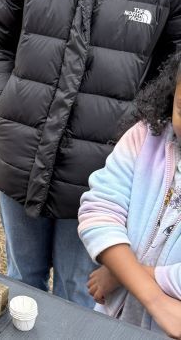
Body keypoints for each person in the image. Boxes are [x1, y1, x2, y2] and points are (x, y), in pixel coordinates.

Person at [0, 0, 181, 307]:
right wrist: (3, 106)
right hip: (20, 162)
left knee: (79, 303)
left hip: (105, 182)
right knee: (18, 289)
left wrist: (135, 153)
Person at [78, 52, 181, 337]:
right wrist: (152, 294)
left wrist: (122, 274)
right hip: (115, 321)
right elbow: (99, 210)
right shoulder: (145, 136)